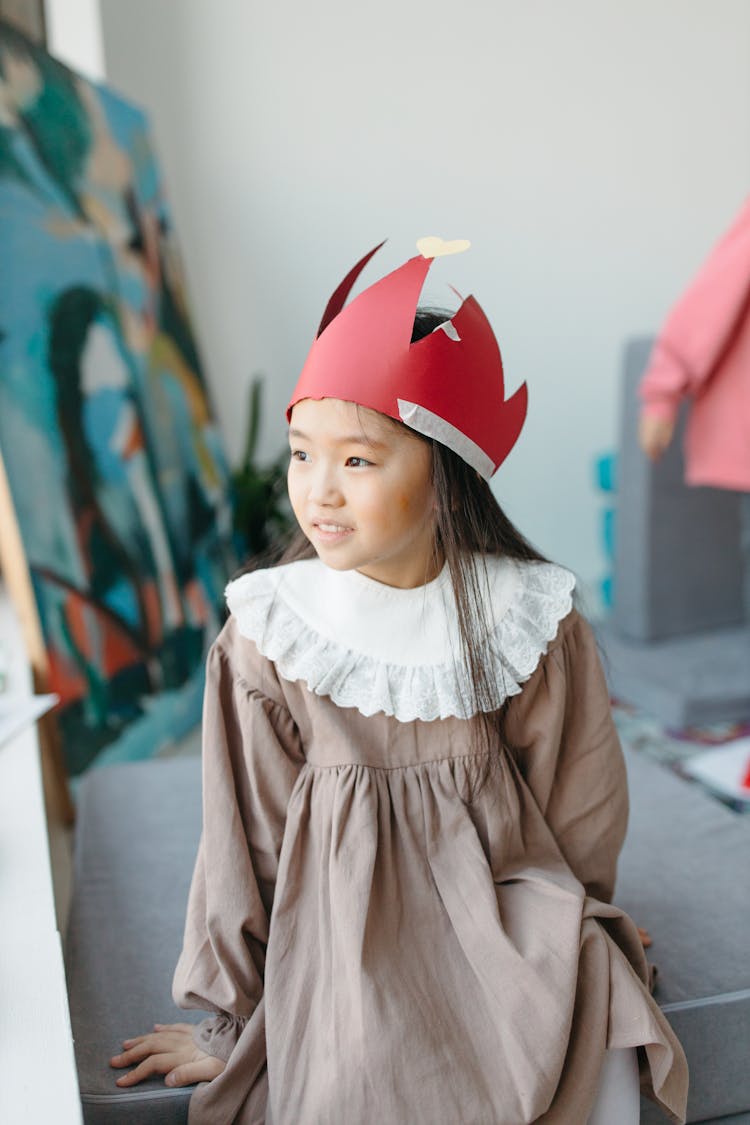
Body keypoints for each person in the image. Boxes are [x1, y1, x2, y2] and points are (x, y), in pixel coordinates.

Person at [110, 239, 688, 1124]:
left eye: (359, 459)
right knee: (360, 1058)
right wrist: (230, 1019)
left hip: (509, 913)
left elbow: (578, 797)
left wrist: (589, 912)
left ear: (444, 476)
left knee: (583, 1014)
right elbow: (245, 838)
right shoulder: (273, 633)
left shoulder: (528, 617)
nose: (319, 492)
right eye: (303, 453)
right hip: (343, 931)